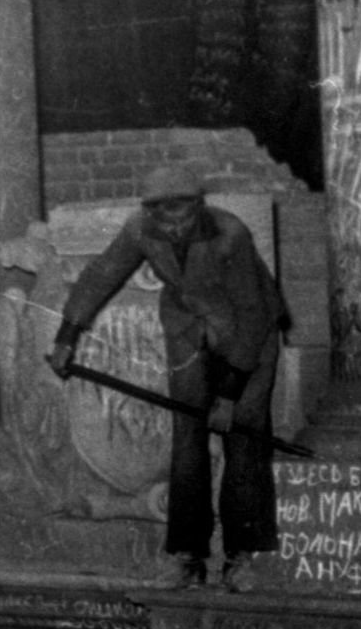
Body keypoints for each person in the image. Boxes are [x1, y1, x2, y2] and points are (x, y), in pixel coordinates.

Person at [50, 163, 287, 592]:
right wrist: (67, 336)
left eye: (181, 214)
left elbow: (252, 317)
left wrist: (230, 395)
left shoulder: (229, 234)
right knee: (187, 438)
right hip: (189, 328)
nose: (173, 225)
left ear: (199, 207)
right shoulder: (142, 229)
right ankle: (187, 556)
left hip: (250, 335)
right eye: (163, 216)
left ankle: (241, 557)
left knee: (244, 437)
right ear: (150, 212)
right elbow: (102, 274)